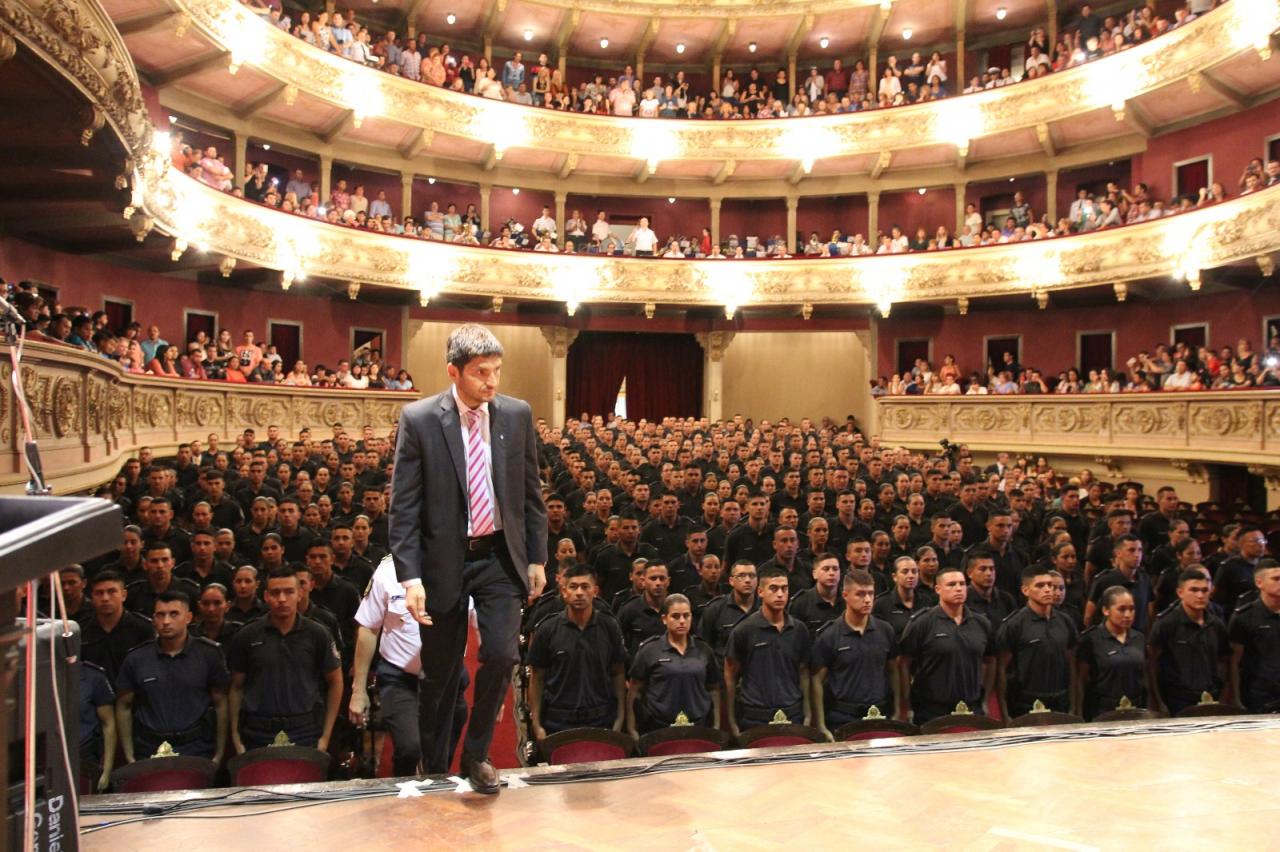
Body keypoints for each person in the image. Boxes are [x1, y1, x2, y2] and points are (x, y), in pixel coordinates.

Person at [389, 324, 548, 792]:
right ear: (453, 371)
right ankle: (435, 765)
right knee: (440, 675)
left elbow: (530, 494)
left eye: (497, 371)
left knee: (500, 654)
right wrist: (409, 575)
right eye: (482, 373)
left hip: (499, 555)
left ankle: (475, 754)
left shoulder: (516, 414)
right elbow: (404, 505)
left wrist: (536, 557)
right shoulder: (419, 419)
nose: (492, 382)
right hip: (444, 559)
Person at [350, 556, 465, 776]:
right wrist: (358, 689)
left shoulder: (459, 564)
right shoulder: (387, 571)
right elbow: (368, 628)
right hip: (400, 676)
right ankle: (402, 790)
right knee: (409, 748)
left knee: (440, 754)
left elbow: (480, 622)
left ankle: (435, 789)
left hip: (447, 678)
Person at [227, 567, 343, 752]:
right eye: (275, 593)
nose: (281, 599)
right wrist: (235, 735)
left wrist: (325, 736)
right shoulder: (247, 634)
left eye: (289, 592)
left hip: (305, 729)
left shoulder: (318, 634)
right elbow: (236, 687)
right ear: (265, 596)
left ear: (300, 594)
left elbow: (336, 682)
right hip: (258, 730)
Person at [116, 591, 230, 762]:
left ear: (189, 617)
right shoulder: (136, 658)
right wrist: (129, 755)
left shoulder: (208, 654)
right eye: (160, 615)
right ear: (153, 619)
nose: (166, 621)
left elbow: (221, 703)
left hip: (195, 748)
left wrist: (219, 754)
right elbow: (124, 705)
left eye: (174, 614)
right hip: (149, 748)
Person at [526, 564, 627, 737]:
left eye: (585, 587)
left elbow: (618, 672)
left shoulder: (609, 626)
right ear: (564, 592)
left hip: (602, 720)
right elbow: (537, 678)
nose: (579, 592)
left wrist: (620, 717)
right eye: (573, 587)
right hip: (558, 722)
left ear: (595, 591)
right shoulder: (547, 629)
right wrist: (536, 724)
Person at [899, 565, 997, 723]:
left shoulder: (981, 622)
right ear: (938, 589)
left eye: (962, 584)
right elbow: (903, 663)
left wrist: (985, 698)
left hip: (972, 707)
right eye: (951, 585)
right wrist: (907, 705)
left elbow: (990, 661)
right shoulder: (922, 623)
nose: (958, 589)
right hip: (931, 710)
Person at [811, 569, 901, 737]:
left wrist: (897, 712)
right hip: (843, 718)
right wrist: (821, 725)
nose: (867, 600)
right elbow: (816, 679)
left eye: (870, 594)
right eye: (860, 594)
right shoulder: (829, 635)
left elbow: (894, 671)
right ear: (845, 595)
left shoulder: (885, 630)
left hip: (880, 715)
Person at [724, 565, 812, 734]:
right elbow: (730, 675)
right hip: (755, 716)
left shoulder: (799, 629)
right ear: (760, 592)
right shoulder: (744, 630)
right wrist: (731, 720)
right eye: (773, 588)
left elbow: (803, 673)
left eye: (784, 589)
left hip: (793, 713)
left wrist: (808, 713)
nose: (780, 594)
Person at [626, 593, 722, 734]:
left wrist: (716, 725)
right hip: (659, 727)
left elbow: (713, 689)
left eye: (686, 616)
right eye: (675, 616)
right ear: (665, 619)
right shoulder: (649, 650)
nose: (682, 621)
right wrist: (631, 729)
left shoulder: (704, 649)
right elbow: (634, 691)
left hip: (699, 726)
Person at [996, 566, 1079, 718]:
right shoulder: (1014, 624)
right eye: (1040, 586)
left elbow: (1072, 664)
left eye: (1050, 585)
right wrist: (1004, 712)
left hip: (1061, 700)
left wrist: (1074, 705)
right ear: (1025, 591)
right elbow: (1001, 668)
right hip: (1026, 702)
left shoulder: (1066, 621)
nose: (1048, 590)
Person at [1147, 569, 1231, 715]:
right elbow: (1152, 663)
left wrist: (1224, 693)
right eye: (1194, 590)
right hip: (1177, 700)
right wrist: (1157, 701)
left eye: (1205, 590)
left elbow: (1224, 661)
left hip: (1212, 696)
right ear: (1180, 593)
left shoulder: (1216, 624)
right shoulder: (1166, 623)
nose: (1200, 595)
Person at [78, 570, 156, 685]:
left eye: (111, 592)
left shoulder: (143, 629)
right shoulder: (81, 629)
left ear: (124, 595)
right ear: (92, 597)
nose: (105, 598)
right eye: (99, 593)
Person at [1228, 558, 1280, 713]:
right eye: (1276, 579)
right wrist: (1235, 698)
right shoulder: (1244, 617)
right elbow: (1233, 662)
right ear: (1259, 583)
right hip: (1260, 695)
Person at [698, 560, 759, 662]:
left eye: (752, 575)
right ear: (731, 581)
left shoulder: (765, 608)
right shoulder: (715, 609)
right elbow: (704, 647)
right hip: (723, 672)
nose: (748, 580)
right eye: (742, 576)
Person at [616, 560, 670, 659]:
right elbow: (618, 646)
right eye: (653, 578)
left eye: (662, 578)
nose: (658, 583)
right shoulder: (629, 610)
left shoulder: (675, 610)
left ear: (669, 581)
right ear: (644, 581)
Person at [788, 553, 842, 633]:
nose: (831, 573)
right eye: (826, 569)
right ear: (814, 574)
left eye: (835, 569)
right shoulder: (801, 603)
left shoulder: (849, 600)